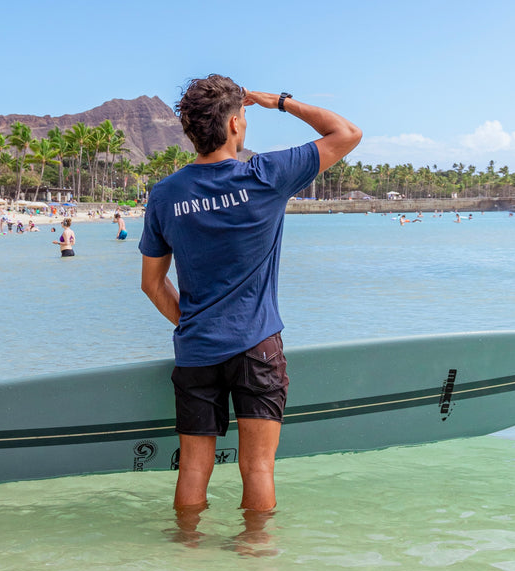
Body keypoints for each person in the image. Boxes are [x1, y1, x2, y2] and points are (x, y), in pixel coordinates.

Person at [139, 76, 361, 514]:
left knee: (193, 469)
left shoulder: (165, 195)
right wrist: (279, 102)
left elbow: (151, 283)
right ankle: (255, 553)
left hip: (197, 351)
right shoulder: (265, 175)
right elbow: (347, 133)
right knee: (258, 467)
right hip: (257, 347)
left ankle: (187, 550)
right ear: (235, 124)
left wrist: (194, 323)